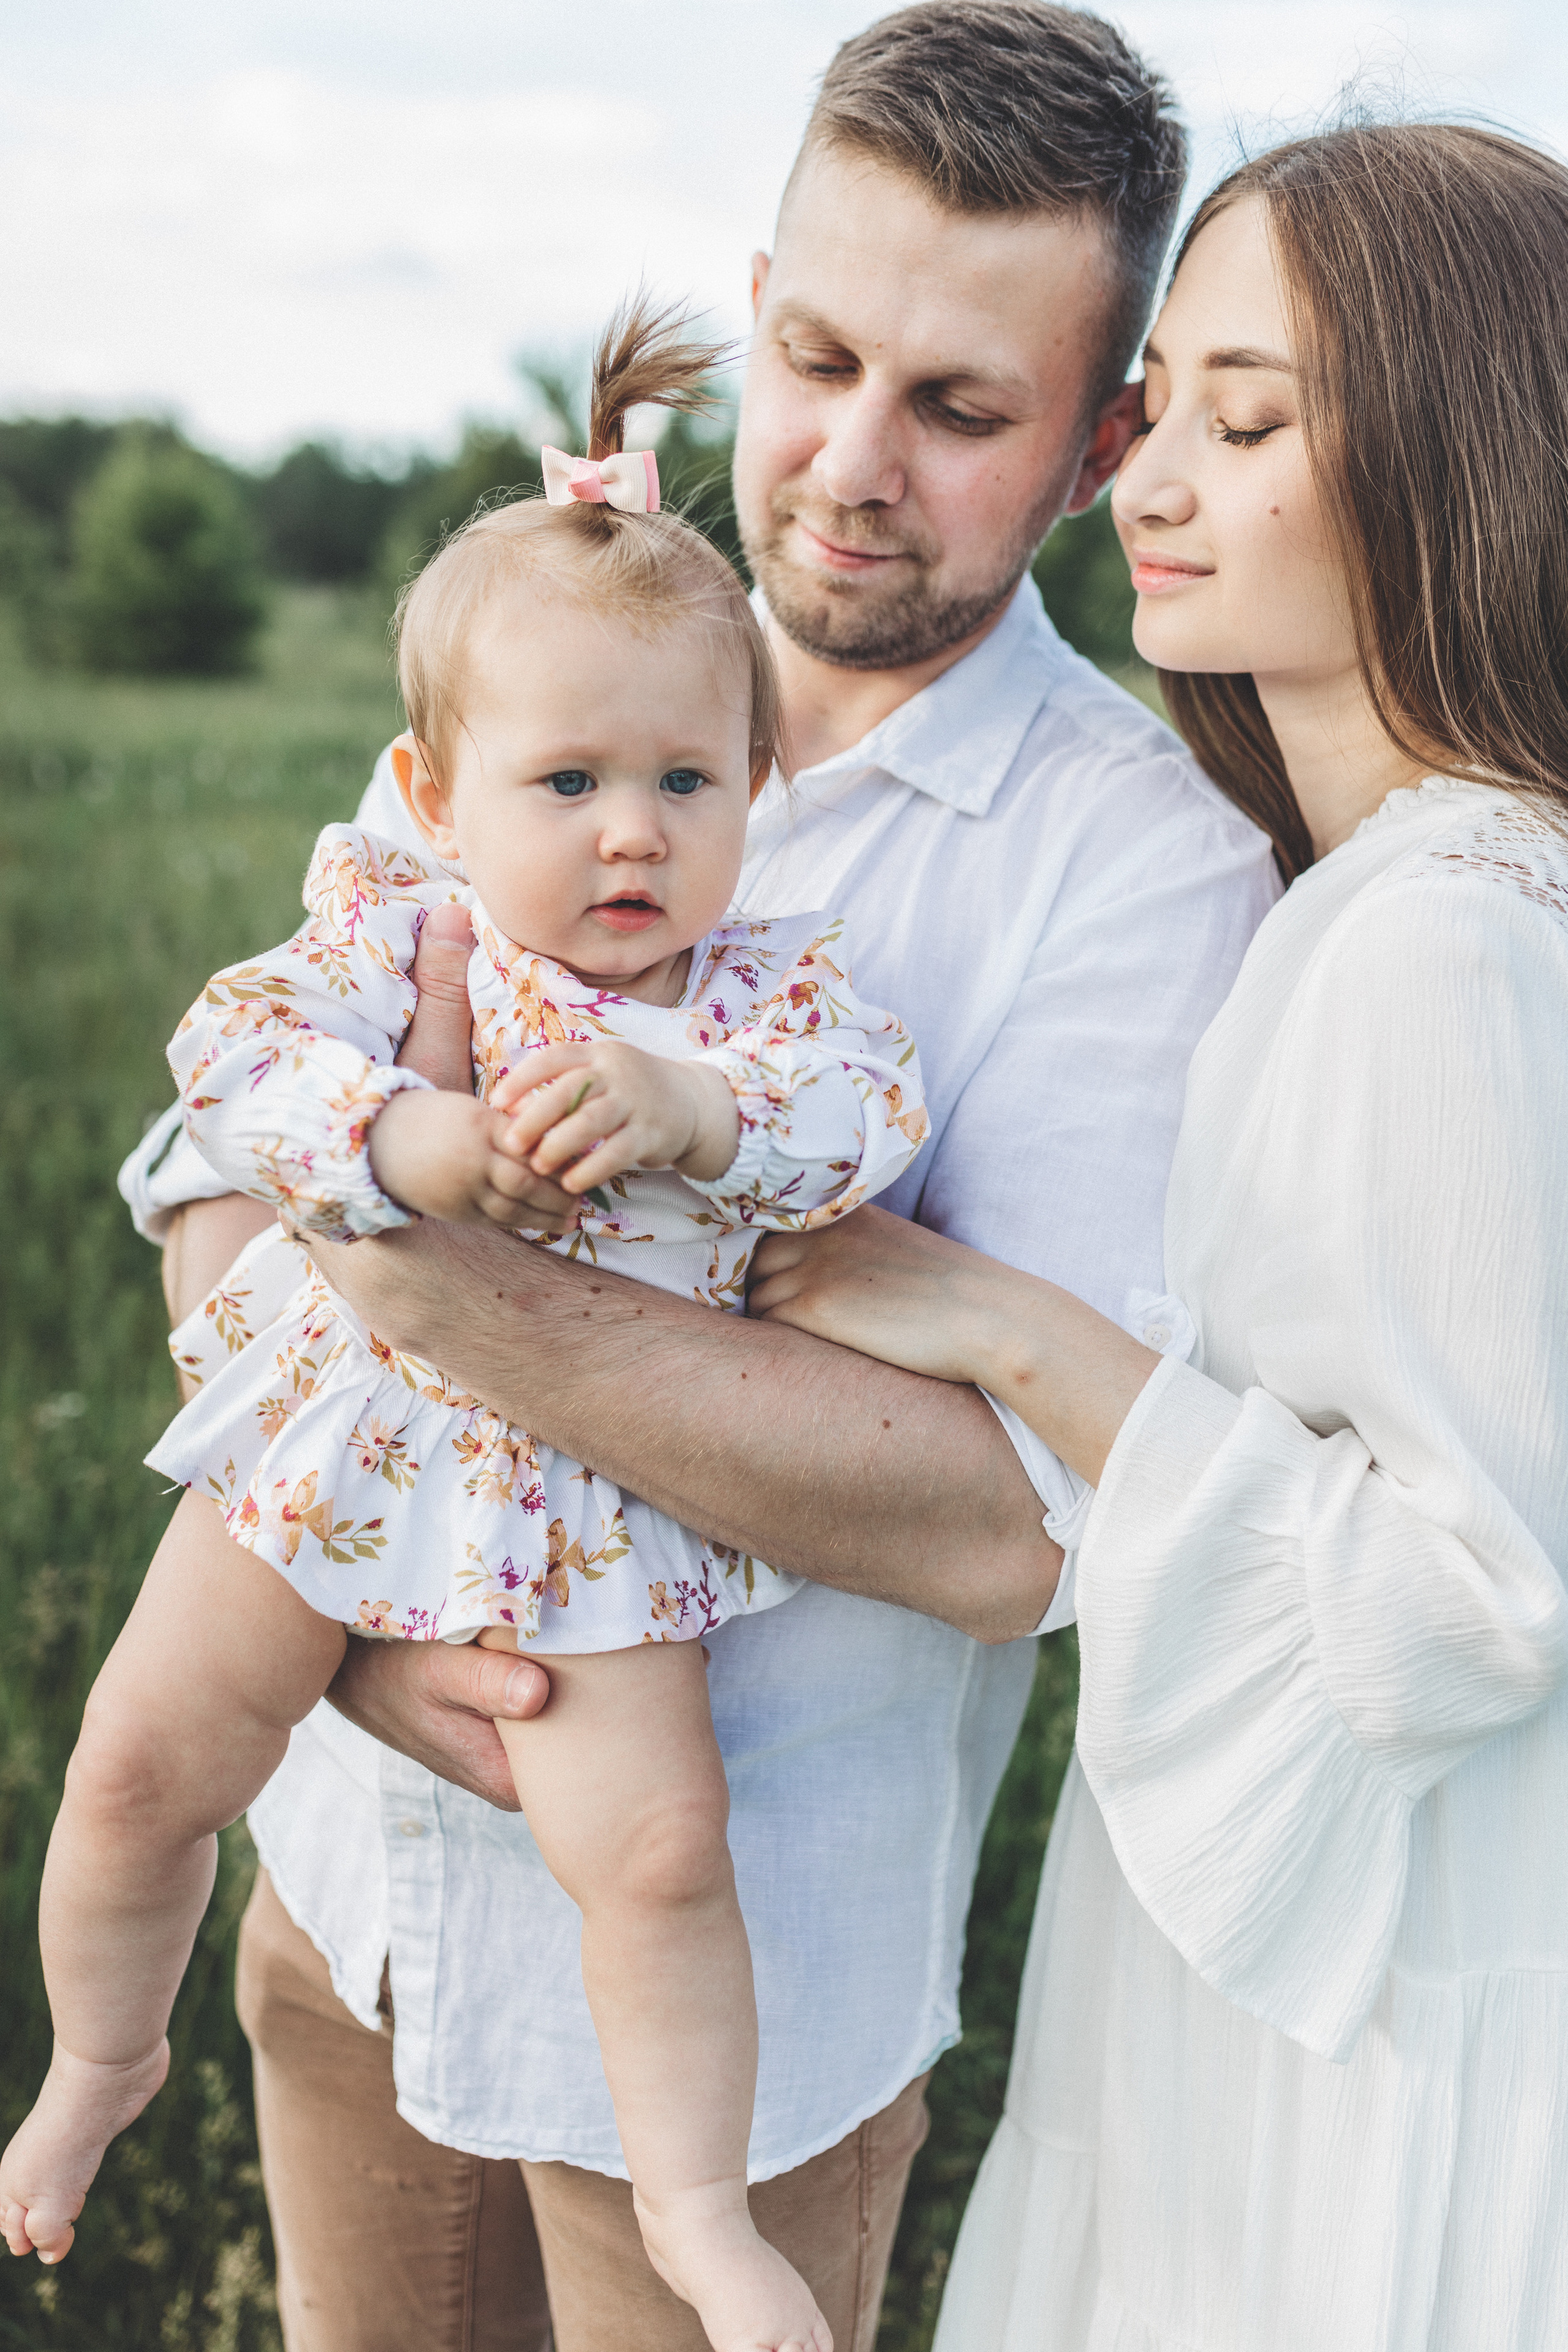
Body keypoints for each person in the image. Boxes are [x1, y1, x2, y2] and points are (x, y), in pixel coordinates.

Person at [117, 8, 1278, 2346]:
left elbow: (1006, 1530)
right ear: (754, 310)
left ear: (1091, 445)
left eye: (959, 411)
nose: (850, 462)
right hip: (351, 1879)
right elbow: (212, 1139)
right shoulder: (561, 649)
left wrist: (436, 1291)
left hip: (745, 2024)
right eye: (819, 357)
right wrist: (341, 1620)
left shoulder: (1142, 873)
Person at [2, 304, 938, 2352]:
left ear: (756, 788)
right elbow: (221, 1056)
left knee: (663, 1854)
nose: (633, 830)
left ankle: (696, 2207)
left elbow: (872, 1116)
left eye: (690, 777)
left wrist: (697, 1113)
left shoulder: (752, 1007)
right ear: (439, 789)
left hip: (597, 1510)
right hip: (343, 1439)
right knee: (149, 1757)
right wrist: (403, 1131)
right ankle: (100, 2061)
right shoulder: (396, 934)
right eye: (573, 778)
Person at [748, 121, 1568, 2352]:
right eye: (1158, 416)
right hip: (1305, 1976)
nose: (1151, 485)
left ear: (1453, 446)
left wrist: (1020, 1334)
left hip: (1370, 2031)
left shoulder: (1448, 942)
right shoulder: (1374, 896)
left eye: (1250, 418)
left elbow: (1470, 1590)